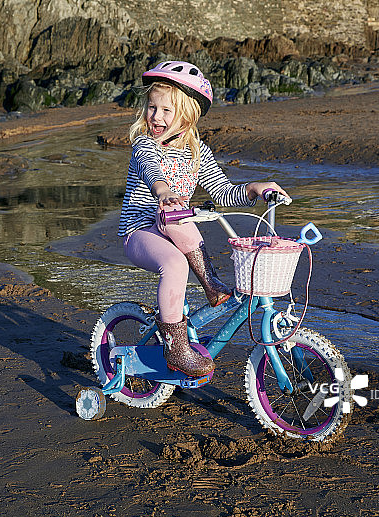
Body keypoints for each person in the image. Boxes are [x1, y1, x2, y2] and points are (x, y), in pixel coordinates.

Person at [118, 60, 289, 377]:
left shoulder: (198, 152)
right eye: (152, 107)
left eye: (167, 110)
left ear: (187, 114)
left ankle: (210, 284)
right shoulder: (145, 143)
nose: (156, 116)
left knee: (180, 217)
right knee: (175, 262)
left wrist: (253, 189)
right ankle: (176, 350)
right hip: (141, 231)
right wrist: (162, 190)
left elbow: (222, 192)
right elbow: (149, 167)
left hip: (174, 226)